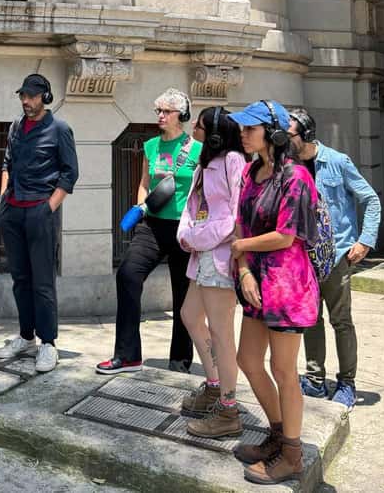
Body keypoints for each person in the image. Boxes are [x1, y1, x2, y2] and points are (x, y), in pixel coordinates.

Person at [228, 99, 320, 485]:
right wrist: (244, 269)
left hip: (287, 287)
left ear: (274, 134)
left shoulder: (296, 177)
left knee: (284, 370)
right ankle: (279, 435)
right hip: (255, 281)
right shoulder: (251, 172)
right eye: (242, 128)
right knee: (248, 360)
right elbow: (240, 222)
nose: (243, 134)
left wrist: (240, 249)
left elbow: (285, 235)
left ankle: (292, 456)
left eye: (250, 128)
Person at [96, 88, 200, 375]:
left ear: (182, 115)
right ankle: (127, 355)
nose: (161, 115)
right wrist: (141, 206)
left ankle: (180, 362)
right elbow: (144, 182)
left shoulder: (197, 149)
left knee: (183, 294)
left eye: (167, 111)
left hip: (184, 228)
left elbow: (203, 190)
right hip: (152, 225)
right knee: (128, 274)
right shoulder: (151, 146)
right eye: (159, 110)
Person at [288, 107, 381, 409]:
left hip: (336, 254)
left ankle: (347, 383)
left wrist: (364, 241)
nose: (283, 140)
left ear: (306, 134)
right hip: (303, 257)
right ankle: (315, 380)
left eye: (289, 135)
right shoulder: (288, 166)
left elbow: (371, 199)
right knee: (310, 319)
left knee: (341, 321)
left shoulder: (337, 162)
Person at [0, 74, 79, 373]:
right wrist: (3, 200)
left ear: (45, 97)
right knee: (20, 279)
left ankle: (48, 343)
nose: (26, 101)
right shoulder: (15, 127)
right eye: (23, 96)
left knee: (43, 281)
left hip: (40, 211)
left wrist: (48, 208)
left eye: (31, 96)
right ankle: (26, 336)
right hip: (13, 210)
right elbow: (7, 162)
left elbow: (70, 173)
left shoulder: (60, 129)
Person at [177, 107, 247, 439]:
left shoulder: (233, 160)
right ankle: (215, 384)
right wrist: (186, 233)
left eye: (200, 124)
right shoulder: (205, 162)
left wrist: (198, 237)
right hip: (201, 252)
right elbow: (193, 206)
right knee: (190, 315)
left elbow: (236, 214)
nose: (194, 126)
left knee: (221, 333)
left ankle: (228, 409)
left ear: (215, 134)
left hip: (220, 254)